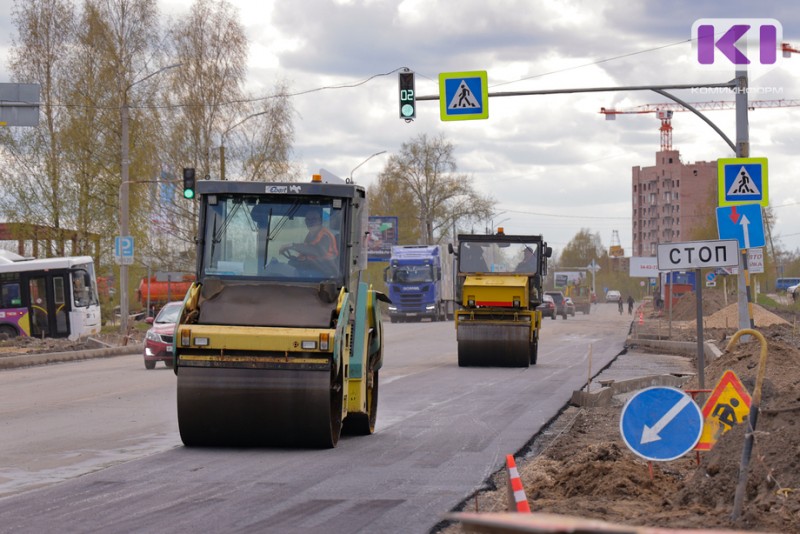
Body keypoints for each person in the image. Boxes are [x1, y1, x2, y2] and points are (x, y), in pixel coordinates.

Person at [279, 208, 339, 276]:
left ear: (320, 220)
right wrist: (297, 259)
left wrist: (291, 245)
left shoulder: (324, 235)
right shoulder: (311, 235)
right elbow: (308, 253)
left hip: (325, 273)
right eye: (308, 219)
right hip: (315, 268)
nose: (311, 222)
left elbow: (316, 251)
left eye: (314, 219)